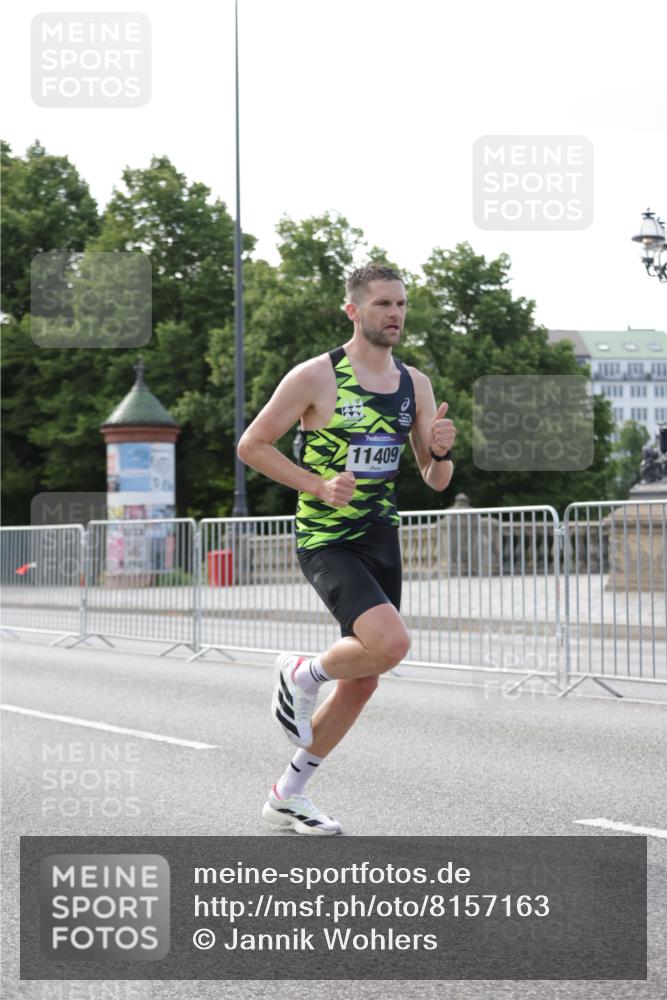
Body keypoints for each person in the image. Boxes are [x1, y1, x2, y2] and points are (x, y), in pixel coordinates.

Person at [237, 264, 456, 835]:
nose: (395, 314)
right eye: (383, 303)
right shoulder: (316, 376)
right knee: (392, 643)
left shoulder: (415, 384)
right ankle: (303, 672)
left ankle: (287, 795)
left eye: (401, 304)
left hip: (381, 536)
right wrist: (316, 485)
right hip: (327, 538)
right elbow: (252, 445)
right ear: (354, 311)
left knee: (365, 677)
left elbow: (435, 479)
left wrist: (440, 451)